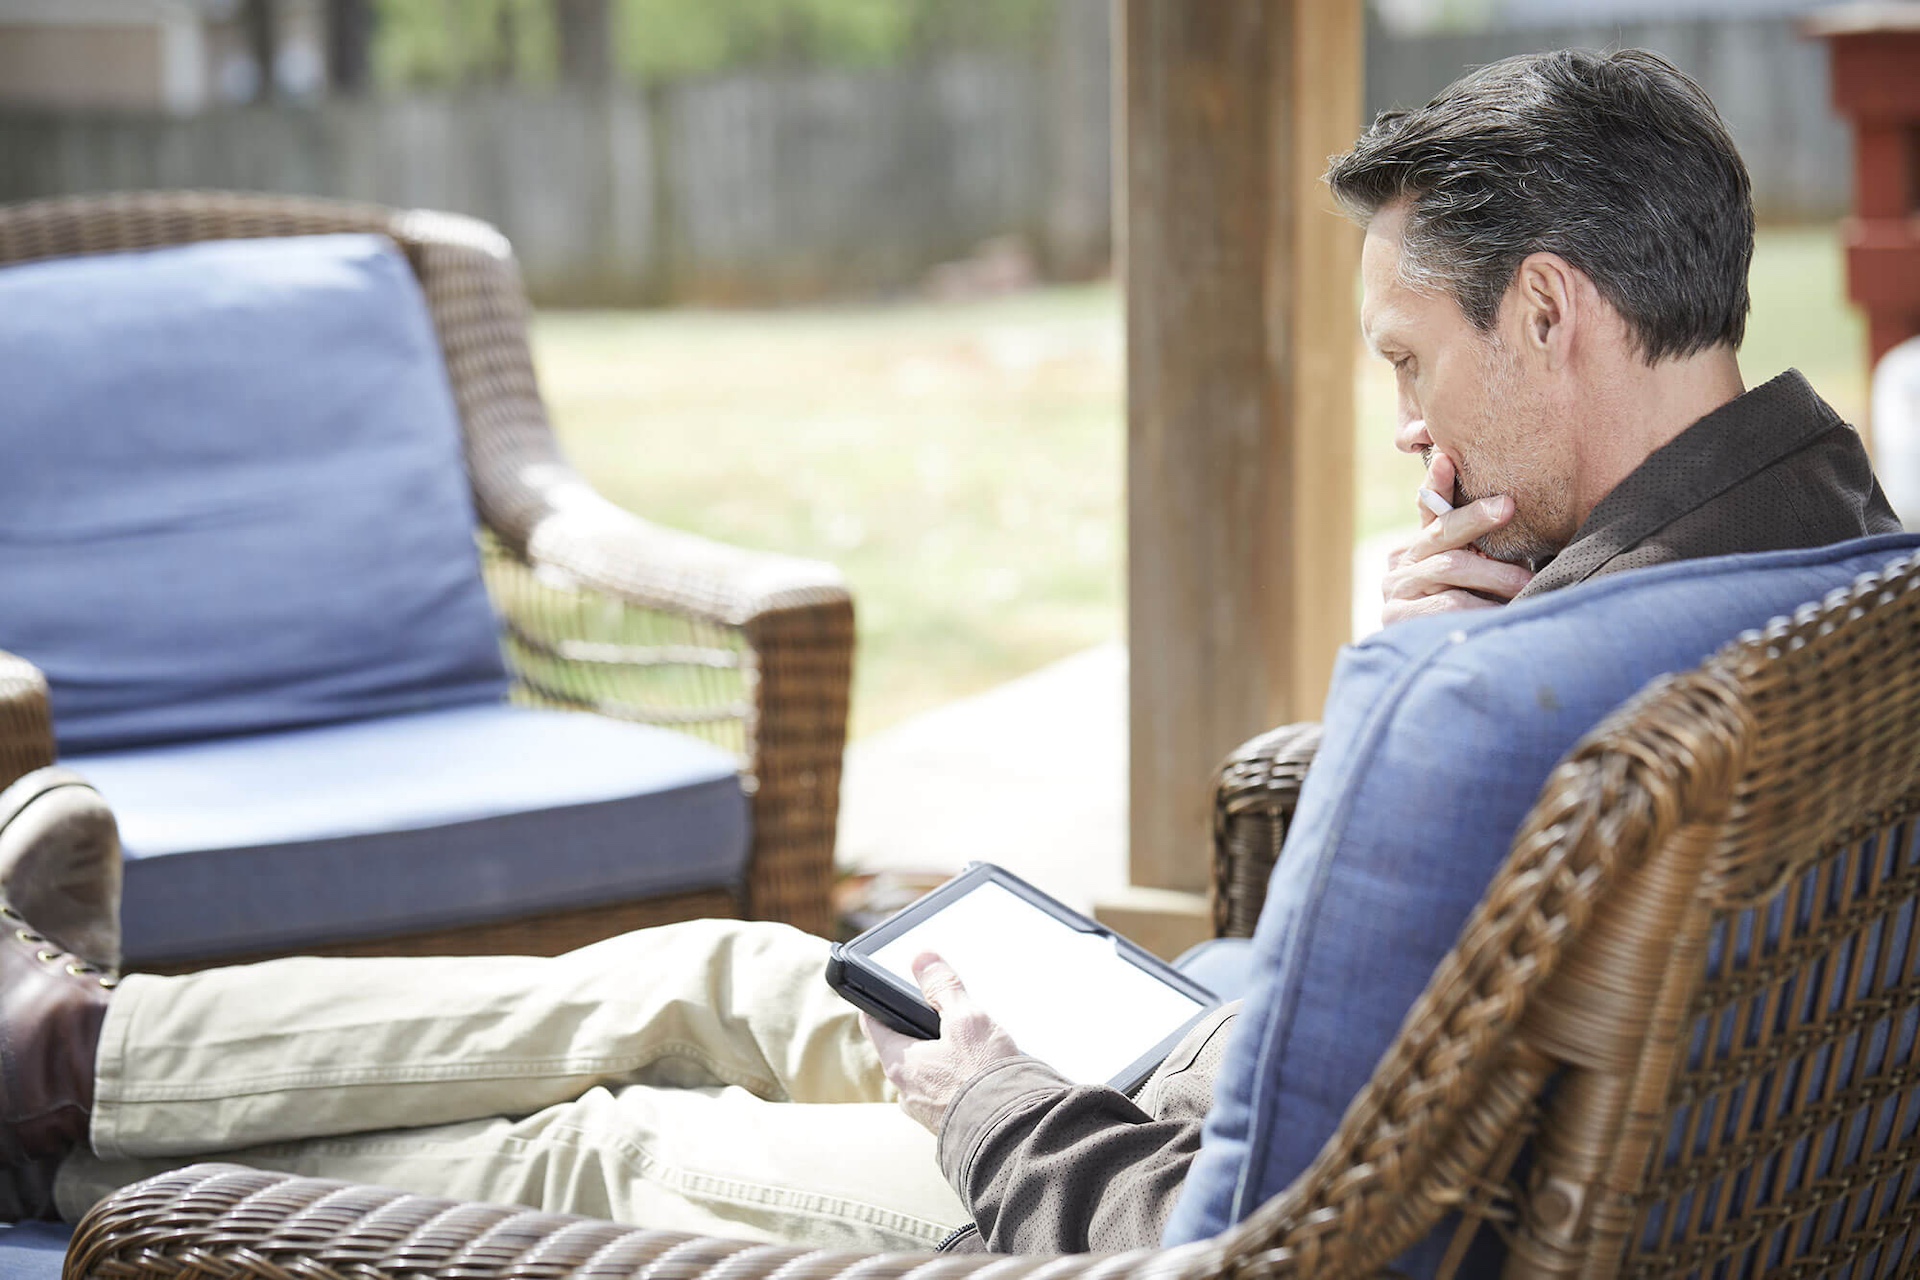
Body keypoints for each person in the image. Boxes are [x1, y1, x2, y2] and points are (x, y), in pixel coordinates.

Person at [0, 46, 1899, 1255]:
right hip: (1293, 1109)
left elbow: (1227, 1246)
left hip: (1125, 1199)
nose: (1408, 429)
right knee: (736, 961)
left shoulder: (1475, 699)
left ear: (1551, 309)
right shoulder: (1834, 562)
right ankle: (76, 1044)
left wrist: (988, 1094)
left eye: (1410, 358)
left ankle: (74, 1163)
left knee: (595, 1151)